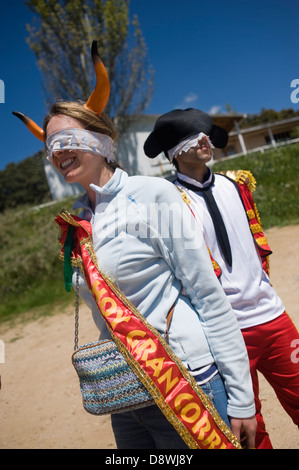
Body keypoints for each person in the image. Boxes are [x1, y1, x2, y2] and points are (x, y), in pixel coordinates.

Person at [13, 43, 256, 449]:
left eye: (68, 139)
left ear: (103, 139)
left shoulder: (152, 195)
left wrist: (244, 400)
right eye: (50, 146)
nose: (58, 152)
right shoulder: (77, 220)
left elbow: (208, 297)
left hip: (186, 381)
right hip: (127, 395)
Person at [144, 107, 299, 449]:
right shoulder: (171, 203)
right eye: (192, 135)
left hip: (273, 317)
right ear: (174, 152)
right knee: (248, 428)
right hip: (227, 332)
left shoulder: (236, 184)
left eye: (205, 133)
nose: (204, 139)